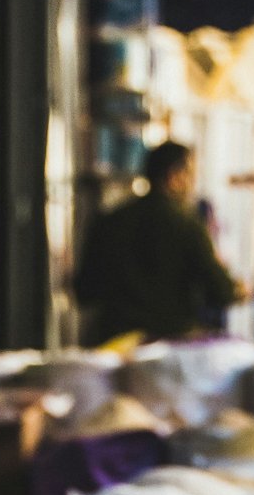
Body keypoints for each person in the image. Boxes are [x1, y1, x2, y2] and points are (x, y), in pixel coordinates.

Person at [74, 140, 238, 343]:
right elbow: (221, 291)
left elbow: (84, 292)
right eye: (191, 175)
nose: (193, 184)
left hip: (115, 343)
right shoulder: (188, 226)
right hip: (169, 348)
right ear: (174, 176)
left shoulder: (111, 221)